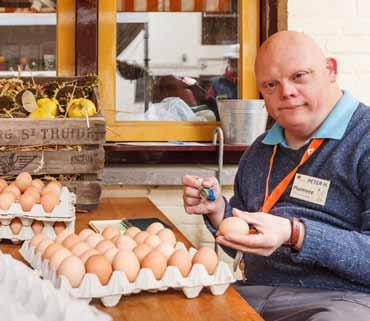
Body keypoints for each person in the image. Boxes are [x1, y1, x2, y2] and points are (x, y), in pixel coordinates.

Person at [182, 30, 370, 321]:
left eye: (299, 76)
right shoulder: (260, 150)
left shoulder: (365, 139)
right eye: (271, 84)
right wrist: (219, 212)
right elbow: (249, 246)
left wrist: (296, 234)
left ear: (330, 70)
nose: (286, 92)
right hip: (255, 290)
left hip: (342, 300)